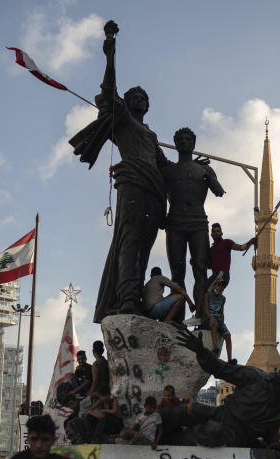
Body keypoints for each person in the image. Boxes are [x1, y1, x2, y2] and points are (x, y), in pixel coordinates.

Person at [70, 22, 170, 320]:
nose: (140, 99)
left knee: (144, 248)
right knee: (129, 241)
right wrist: (110, 52)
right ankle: (126, 298)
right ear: (126, 103)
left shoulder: (151, 136)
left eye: (144, 97)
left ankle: (136, 296)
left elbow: (165, 166)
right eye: (134, 96)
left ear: (148, 106)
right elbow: (109, 88)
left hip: (154, 192)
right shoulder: (123, 120)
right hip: (133, 186)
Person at [162, 127, 225, 316]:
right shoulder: (168, 171)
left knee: (200, 270)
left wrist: (207, 175)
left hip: (198, 222)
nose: (183, 142)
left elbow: (219, 191)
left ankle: (201, 315)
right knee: (177, 272)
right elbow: (158, 196)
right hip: (175, 222)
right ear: (175, 143)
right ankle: (177, 317)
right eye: (180, 139)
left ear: (193, 143)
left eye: (188, 139)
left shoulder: (204, 169)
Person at [208, 222, 255, 290]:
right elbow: (210, 265)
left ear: (221, 233)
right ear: (211, 234)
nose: (216, 233)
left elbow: (241, 247)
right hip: (216, 275)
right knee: (209, 296)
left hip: (222, 275)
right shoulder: (212, 249)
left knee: (206, 291)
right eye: (214, 231)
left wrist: (250, 241)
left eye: (218, 231)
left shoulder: (226, 242)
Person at [202, 275, 234, 363]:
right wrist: (211, 317)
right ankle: (215, 347)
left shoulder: (223, 299)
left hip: (218, 319)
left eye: (222, 286)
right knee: (214, 323)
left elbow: (221, 312)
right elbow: (206, 310)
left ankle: (230, 359)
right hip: (208, 318)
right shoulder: (208, 296)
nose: (220, 288)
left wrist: (222, 324)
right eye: (219, 285)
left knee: (228, 335)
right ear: (214, 285)